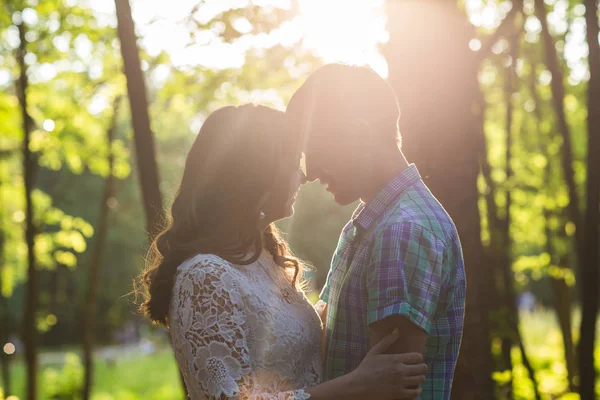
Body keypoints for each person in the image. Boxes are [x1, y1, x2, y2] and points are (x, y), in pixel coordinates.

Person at [139, 104, 428, 400]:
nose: (302, 177)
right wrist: (358, 385)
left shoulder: (263, 260)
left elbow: (282, 347)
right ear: (256, 173)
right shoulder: (205, 276)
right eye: (292, 162)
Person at [286, 64, 466, 399]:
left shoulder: (400, 231)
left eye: (315, 149)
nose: (309, 172)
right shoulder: (373, 222)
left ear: (360, 133)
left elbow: (387, 391)